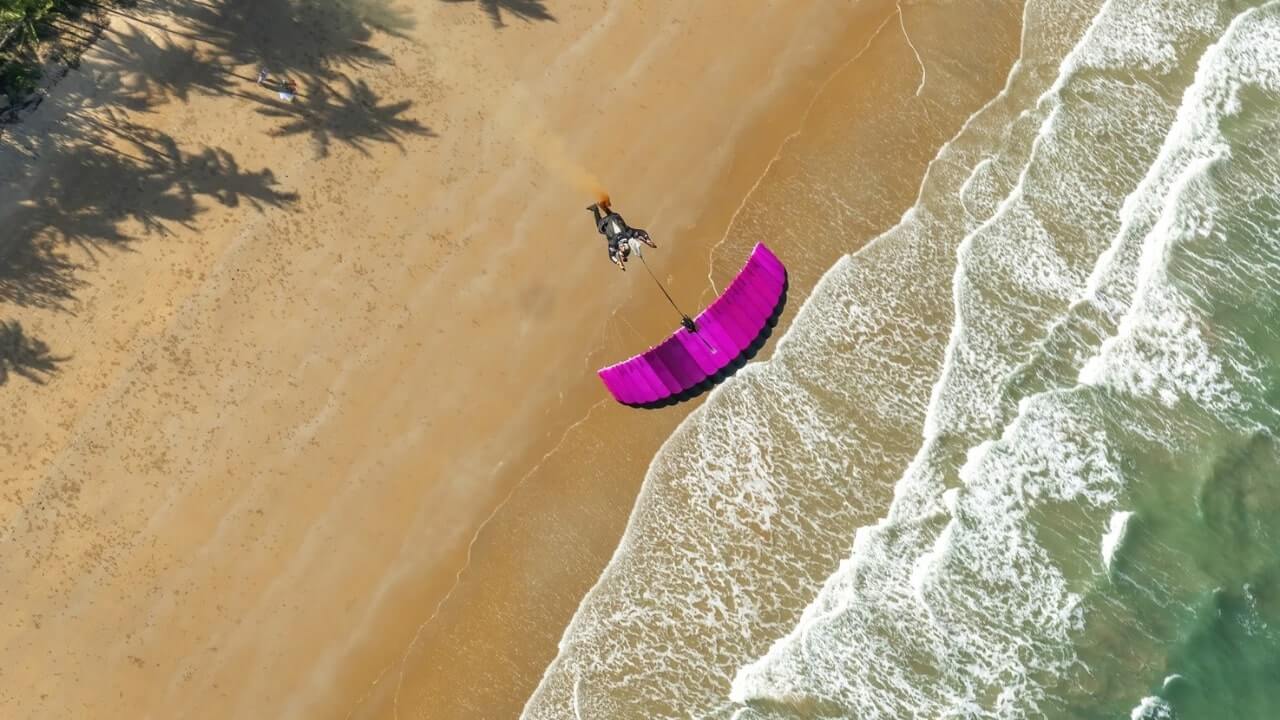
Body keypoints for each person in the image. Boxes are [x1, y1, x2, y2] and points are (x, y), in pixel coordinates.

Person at [587, 199, 656, 271]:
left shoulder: (629, 234)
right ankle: (595, 208)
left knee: (614, 217)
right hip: (605, 222)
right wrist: (618, 263)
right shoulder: (613, 244)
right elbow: (612, 257)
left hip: (615, 216)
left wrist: (648, 240)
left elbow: (641, 232)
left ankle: (603, 205)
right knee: (600, 229)